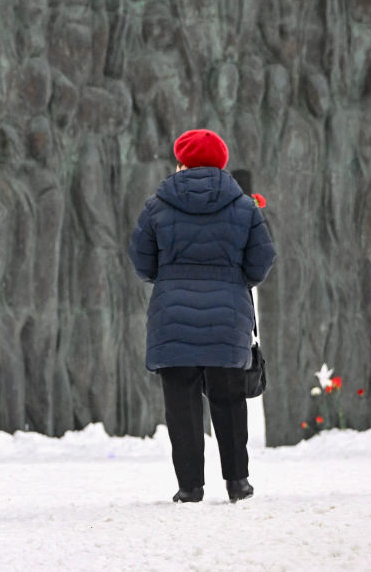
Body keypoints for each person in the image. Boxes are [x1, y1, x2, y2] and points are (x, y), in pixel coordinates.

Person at [128, 129, 276, 503]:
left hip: (173, 316)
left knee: (181, 404)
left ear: (181, 162)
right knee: (228, 399)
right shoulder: (244, 207)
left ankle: (190, 486)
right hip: (227, 318)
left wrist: (169, 277)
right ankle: (237, 482)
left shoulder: (157, 205)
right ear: (222, 162)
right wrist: (236, 279)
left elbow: (141, 260)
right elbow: (262, 260)